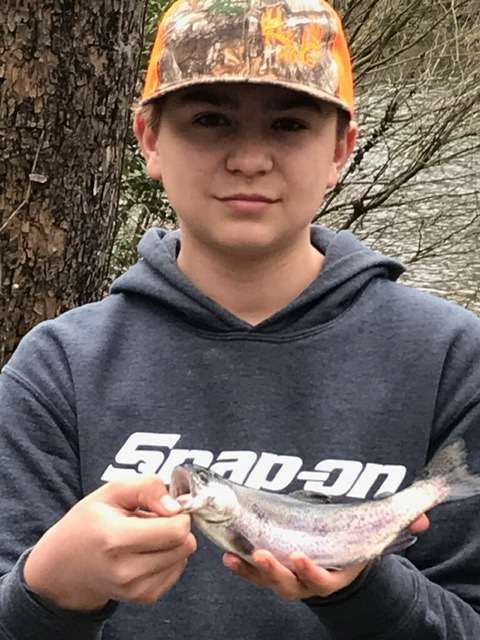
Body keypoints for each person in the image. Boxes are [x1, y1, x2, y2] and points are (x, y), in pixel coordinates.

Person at [1, 0, 480, 638]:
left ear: (341, 150)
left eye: (288, 124)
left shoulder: (453, 359)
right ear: (150, 140)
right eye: (210, 120)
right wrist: (49, 592)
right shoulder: (56, 367)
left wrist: (367, 588)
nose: (250, 159)